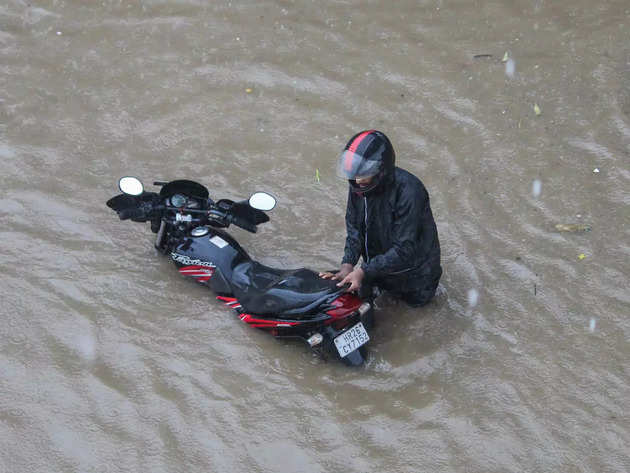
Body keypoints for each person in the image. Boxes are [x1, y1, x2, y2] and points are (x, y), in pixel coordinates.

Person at [319, 130, 442, 307]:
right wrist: (347, 264)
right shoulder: (359, 188)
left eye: (363, 174)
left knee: (413, 317)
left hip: (415, 277)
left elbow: (405, 248)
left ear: (381, 171)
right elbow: (354, 229)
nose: (358, 180)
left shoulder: (410, 192)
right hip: (377, 269)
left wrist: (363, 271)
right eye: (355, 175)